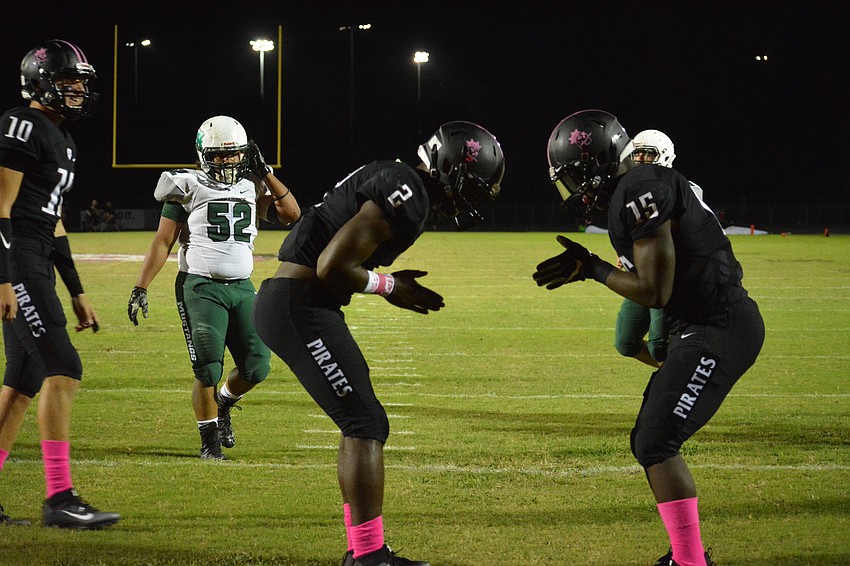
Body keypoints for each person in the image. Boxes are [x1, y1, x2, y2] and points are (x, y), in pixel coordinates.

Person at [252, 121, 505, 566]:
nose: (477, 195)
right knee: (364, 423)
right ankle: (367, 557)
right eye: (475, 184)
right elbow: (332, 265)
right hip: (300, 304)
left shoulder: (399, 178)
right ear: (450, 168)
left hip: (305, 304)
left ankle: (365, 552)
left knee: (364, 420)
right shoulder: (408, 189)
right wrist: (390, 287)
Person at [533, 110, 764, 566]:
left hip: (717, 326)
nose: (573, 190)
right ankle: (687, 557)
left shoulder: (640, 186)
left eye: (572, 177)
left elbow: (654, 291)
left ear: (592, 164)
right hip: (701, 324)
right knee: (650, 439)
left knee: (655, 442)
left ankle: (690, 561)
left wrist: (593, 269)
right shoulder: (637, 188)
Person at [127, 116, 300, 460]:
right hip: (200, 286)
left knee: (256, 366)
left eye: (232, 154)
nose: (225, 161)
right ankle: (209, 443)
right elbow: (163, 242)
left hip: (242, 287)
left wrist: (266, 172)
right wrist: (141, 285)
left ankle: (223, 404)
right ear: (203, 154)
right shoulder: (186, 185)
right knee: (207, 367)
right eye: (218, 155)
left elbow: (292, 214)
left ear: (244, 154)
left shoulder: (253, 185)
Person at [0, 39, 120, 529]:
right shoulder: (22, 123)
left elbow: (56, 221)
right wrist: (5, 279)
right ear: (41, 79)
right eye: (68, 79)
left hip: (38, 259)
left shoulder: (62, 138)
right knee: (63, 366)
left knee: (21, 383)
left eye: (80, 81)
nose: (76, 88)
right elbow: (0, 207)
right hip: (18, 261)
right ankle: (59, 497)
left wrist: (76, 289)